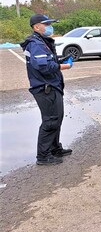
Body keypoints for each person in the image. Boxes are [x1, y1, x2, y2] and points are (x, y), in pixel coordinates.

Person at [20, 14, 74, 165]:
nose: (50, 26)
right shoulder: (35, 44)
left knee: (58, 117)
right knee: (51, 121)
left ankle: (54, 148)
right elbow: (43, 66)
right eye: (47, 24)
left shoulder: (42, 41)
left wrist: (62, 59)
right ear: (37, 27)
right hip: (45, 88)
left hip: (52, 86)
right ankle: (43, 156)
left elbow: (48, 60)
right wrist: (64, 66)